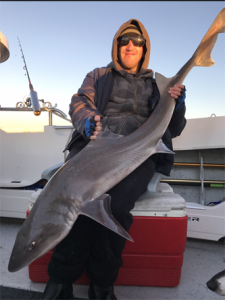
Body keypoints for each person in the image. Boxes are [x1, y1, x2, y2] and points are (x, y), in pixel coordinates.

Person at [40, 19, 186, 300]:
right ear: (116, 46)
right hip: (95, 147)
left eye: (137, 41)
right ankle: (60, 280)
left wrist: (177, 105)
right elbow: (80, 103)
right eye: (124, 41)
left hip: (137, 153)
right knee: (73, 202)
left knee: (117, 207)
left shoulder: (159, 86)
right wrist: (87, 122)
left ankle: (102, 284)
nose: (130, 45)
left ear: (145, 49)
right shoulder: (98, 75)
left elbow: (175, 129)